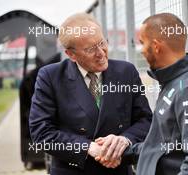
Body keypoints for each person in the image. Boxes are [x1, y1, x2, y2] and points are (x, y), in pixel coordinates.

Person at [29, 12, 152, 175]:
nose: (101, 53)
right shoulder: (50, 77)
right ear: (71, 54)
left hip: (119, 170)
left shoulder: (126, 72)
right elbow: (41, 132)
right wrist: (88, 147)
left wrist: (124, 140)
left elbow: (145, 120)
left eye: (102, 43)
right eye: (90, 49)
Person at [123, 13, 188, 175]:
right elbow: (159, 146)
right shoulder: (172, 83)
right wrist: (123, 151)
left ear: (156, 46)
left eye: (143, 43)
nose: (141, 50)